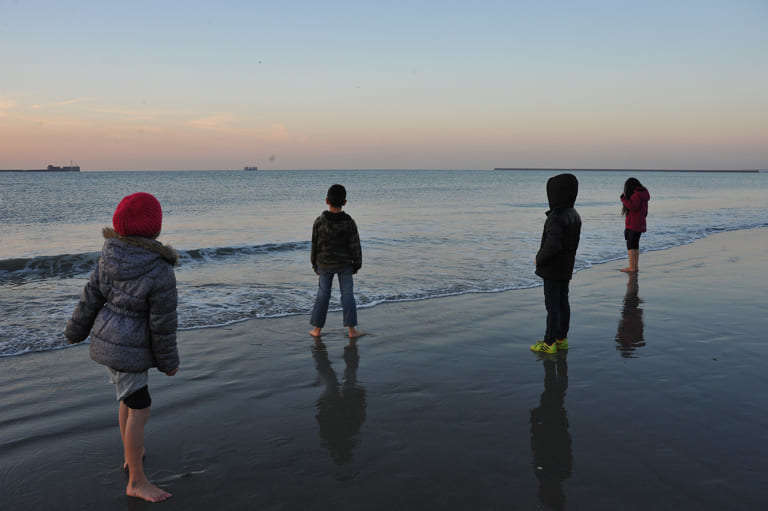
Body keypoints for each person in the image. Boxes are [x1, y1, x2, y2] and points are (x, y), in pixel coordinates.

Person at [65, 192, 179, 503]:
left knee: (129, 400)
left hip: (108, 342)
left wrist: (75, 331)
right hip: (129, 349)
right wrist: (168, 361)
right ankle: (137, 481)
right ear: (154, 229)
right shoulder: (159, 269)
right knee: (140, 406)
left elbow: (89, 298)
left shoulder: (108, 256)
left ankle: (132, 455)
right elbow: (163, 323)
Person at [531, 174, 582, 354]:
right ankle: (561, 339)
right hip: (566, 267)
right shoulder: (574, 214)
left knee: (552, 306)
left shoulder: (556, 216)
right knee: (562, 302)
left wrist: (539, 258)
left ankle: (549, 342)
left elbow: (553, 244)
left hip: (552, 269)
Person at [309, 184, 364, 339]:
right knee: (347, 295)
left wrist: (314, 263)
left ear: (327, 200)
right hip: (345, 264)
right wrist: (357, 264)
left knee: (323, 295)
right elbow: (355, 245)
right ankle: (352, 330)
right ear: (345, 202)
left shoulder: (319, 221)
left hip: (324, 264)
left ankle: (317, 330)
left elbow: (314, 244)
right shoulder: (349, 222)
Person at [620, 177, 650, 273]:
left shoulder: (636, 195)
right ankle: (634, 266)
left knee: (631, 245)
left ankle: (632, 267)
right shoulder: (642, 195)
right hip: (639, 223)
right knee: (635, 245)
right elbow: (645, 212)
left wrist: (624, 199)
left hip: (633, 224)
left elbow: (633, 207)